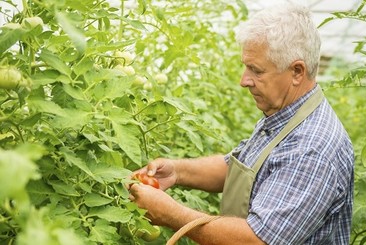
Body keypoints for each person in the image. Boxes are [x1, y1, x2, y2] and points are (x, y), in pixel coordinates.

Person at [128, 2, 354, 244]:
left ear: (297, 71)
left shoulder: (312, 147)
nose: (243, 80)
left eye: (256, 70)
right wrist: (177, 171)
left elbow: (256, 241)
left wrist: (172, 214)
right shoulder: (284, 116)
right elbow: (239, 167)